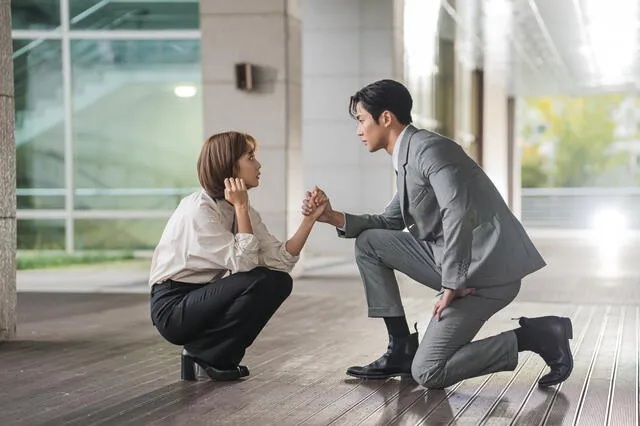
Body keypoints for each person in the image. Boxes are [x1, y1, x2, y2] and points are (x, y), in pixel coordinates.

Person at [302, 79, 573, 389]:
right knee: (369, 242)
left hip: (486, 274)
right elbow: (389, 221)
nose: (358, 130)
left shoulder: (431, 149)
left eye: (362, 119)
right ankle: (400, 347)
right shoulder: (407, 155)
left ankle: (536, 336)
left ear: (386, 118)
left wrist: (452, 283)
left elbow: (456, 212)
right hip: (453, 261)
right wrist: (331, 216)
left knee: (429, 372)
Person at [149, 131, 327, 381]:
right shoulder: (199, 211)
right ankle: (209, 354)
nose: (259, 164)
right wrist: (241, 207)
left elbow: (281, 261)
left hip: (204, 297)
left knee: (279, 281)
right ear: (229, 165)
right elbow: (245, 266)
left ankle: (208, 353)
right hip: (173, 307)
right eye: (250, 157)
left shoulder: (239, 209)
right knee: (256, 279)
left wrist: (309, 220)